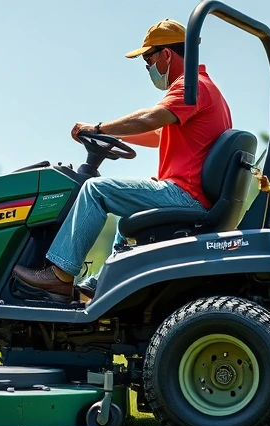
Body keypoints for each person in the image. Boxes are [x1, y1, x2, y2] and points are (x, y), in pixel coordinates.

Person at [13, 19, 232, 299]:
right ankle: (105, 282)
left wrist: (99, 129)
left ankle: (59, 274)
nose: (148, 68)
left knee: (95, 190)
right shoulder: (204, 90)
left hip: (185, 194)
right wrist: (111, 136)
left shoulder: (191, 87)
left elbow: (151, 118)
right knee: (128, 216)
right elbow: (156, 134)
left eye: (148, 60)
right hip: (192, 194)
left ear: (166, 54)